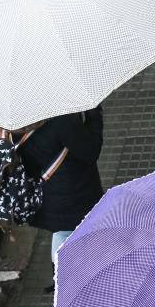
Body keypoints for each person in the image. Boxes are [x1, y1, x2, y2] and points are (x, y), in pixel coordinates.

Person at [16, 107, 104, 289]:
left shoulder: (12, 122)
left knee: (62, 233)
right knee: (86, 232)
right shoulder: (60, 120)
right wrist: (94, 117)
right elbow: (90, 151)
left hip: (45, 195)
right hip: (74, 194)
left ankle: (62, 281)